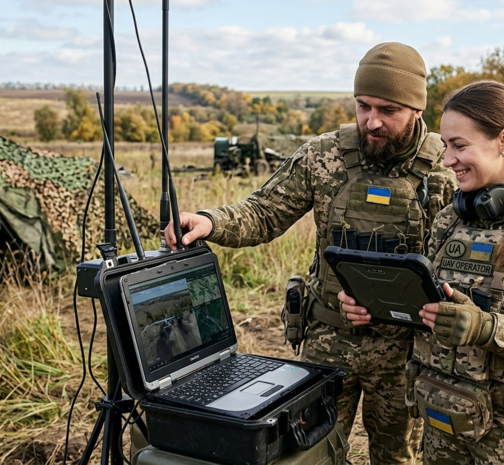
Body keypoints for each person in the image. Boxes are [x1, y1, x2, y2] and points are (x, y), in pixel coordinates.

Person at [166, 42, 456, 464]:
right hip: (329, 339)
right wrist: (211, 221)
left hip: (406, 350)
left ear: (417, 109)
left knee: (396, 457)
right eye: (363, 106)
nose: (372, 121)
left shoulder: (448, 168)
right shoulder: (324, 156)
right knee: (309, 454)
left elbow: (461, 267)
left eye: (388, 110)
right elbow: (264, 211)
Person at [340, 80, 504, 464]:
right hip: (443, 425)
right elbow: (430, 317)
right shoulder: (450, 218)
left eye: (459, 146)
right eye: (446, 145)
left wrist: (485, 328)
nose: (447, 160)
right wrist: (376, 308)